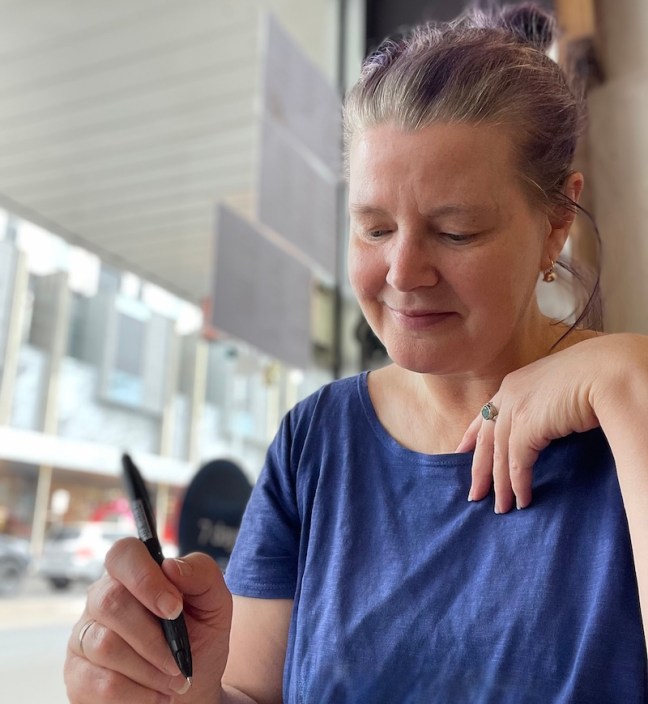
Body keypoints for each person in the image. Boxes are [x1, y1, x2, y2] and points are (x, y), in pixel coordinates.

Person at [64, 4, 648, 703]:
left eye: (456, 231)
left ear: (556, 222)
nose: (403, 272)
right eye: (374, 228)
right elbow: (251, 693)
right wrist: (171, 692)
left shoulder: (627, 416)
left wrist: (629, 382)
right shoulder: (315, 441)